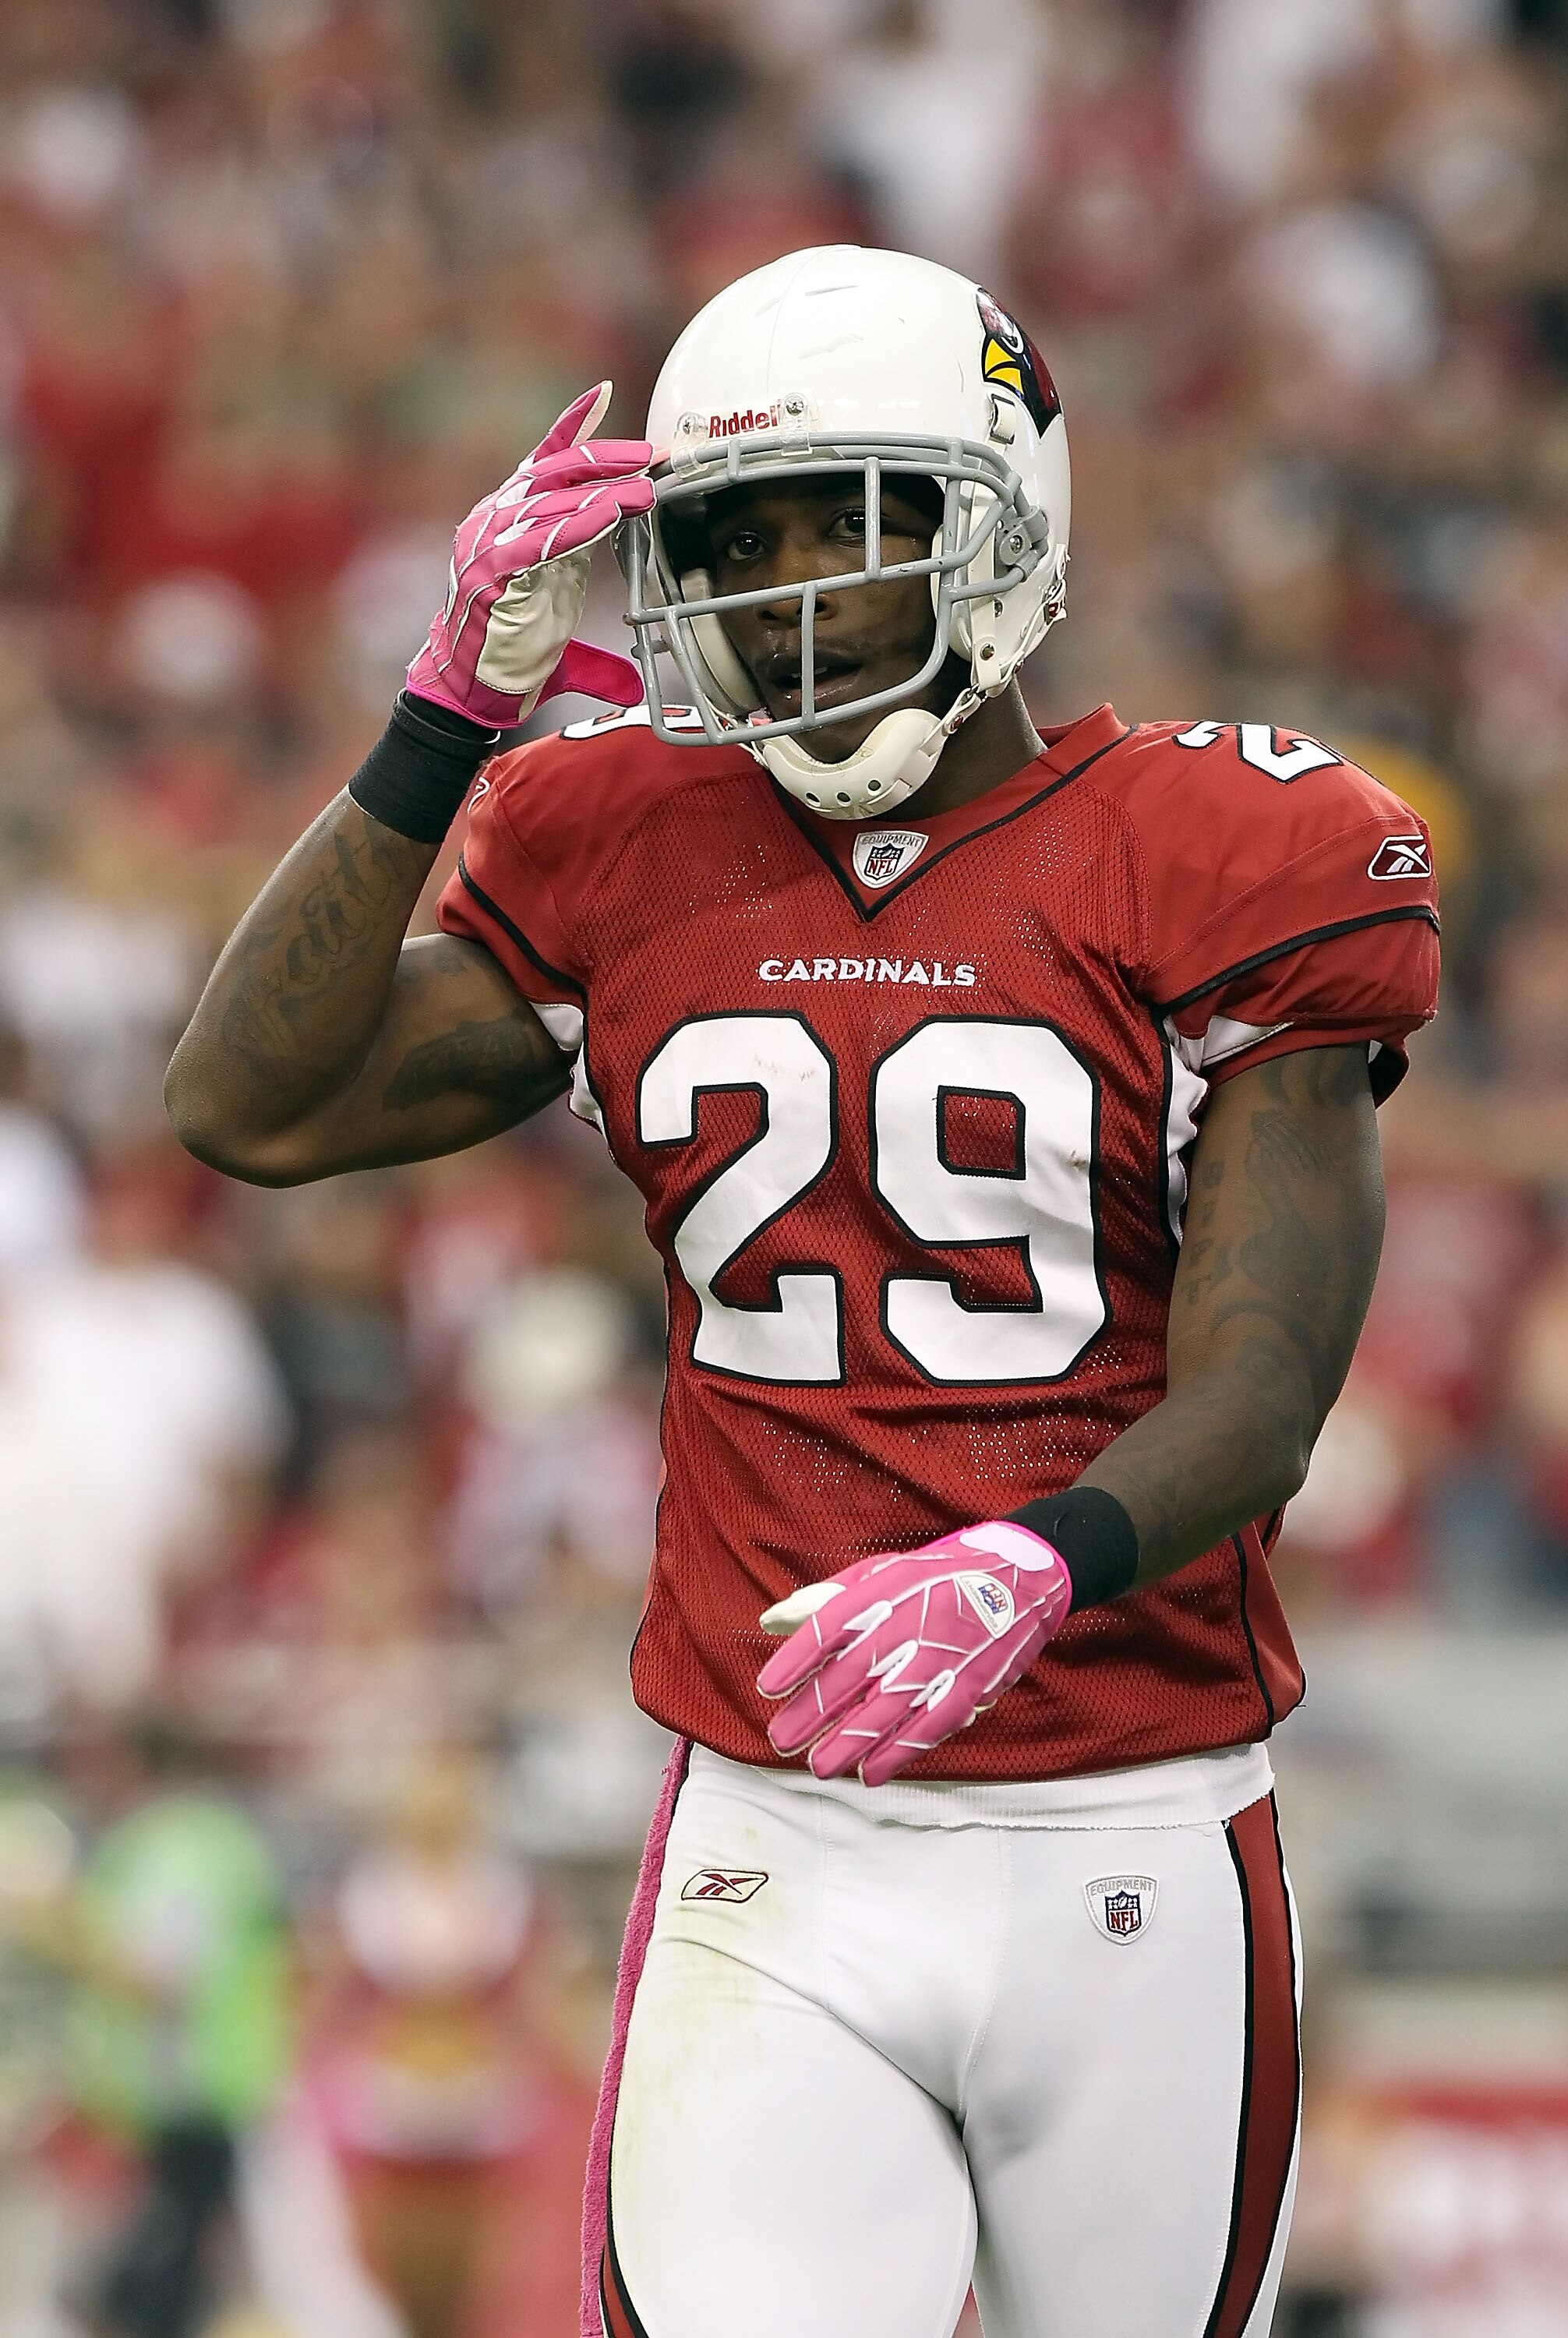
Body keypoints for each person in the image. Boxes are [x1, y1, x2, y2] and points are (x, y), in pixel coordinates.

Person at [166, 246, 1440, 2338]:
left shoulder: (1225, 848)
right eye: (728, 541)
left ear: (996, 521)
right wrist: (439, 723)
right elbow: (248, 1104)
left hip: (1129, 1810)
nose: (776, 593)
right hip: (784, 1829)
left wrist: (1040, 1553)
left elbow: (1274, 1374)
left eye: (839, 529)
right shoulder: (621, 832)